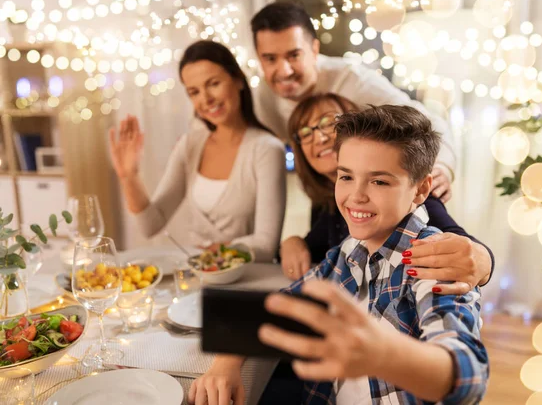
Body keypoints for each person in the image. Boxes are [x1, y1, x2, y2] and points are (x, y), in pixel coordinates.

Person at [188, 105, 489, 405]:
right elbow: (282, 306)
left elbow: (468, 375)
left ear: (421, 190)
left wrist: (385, 355)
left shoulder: (433, 260)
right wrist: (226, 362)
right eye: (346, 177)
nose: (356, 195)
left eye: (379, 181)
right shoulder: (347, 253)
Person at [280, 93, 494, 295]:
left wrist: (484, 260)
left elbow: (466, 249)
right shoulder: (330, 204)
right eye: (306, 133)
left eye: (328, 123)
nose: (320, 137)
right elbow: (316, 253)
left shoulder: (410, 198)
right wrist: (292, 242)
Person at [251, 2, 454, 202]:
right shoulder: (262, 98)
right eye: (270, 59)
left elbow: (429, 122)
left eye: (294, 55)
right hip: (324, 197)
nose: (284, 70)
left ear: (314, 49)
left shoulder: (354, 80)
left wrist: (442, 168)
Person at [109, 40, 286, 262]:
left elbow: (266, 245)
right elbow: (151, 225)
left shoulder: (267, 150)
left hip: (247, 282)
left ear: (238, 80)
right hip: (199, 276)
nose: (205, 99)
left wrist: (207, 255)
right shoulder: (190, 145)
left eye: (213, 84)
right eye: (194, 92)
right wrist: (129, 177)